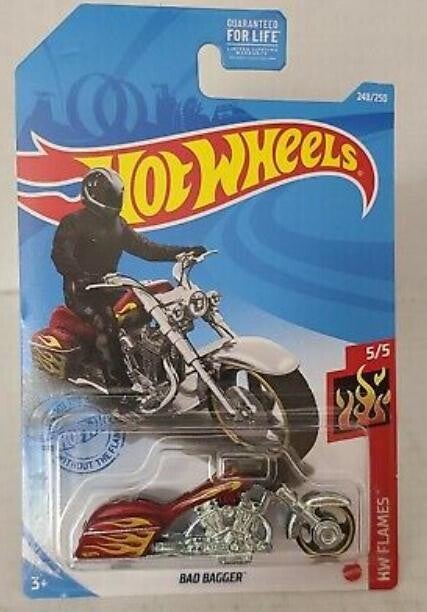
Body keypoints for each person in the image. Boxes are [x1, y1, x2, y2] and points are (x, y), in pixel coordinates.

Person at [51, 167, 206, 389]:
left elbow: (147, 249)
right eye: (108, 194)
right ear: (92, 193)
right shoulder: (73, 222)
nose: (113, 199)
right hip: (83, 292)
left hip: (111, 286)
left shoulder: (118, 224)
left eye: (114, 194)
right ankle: (119, 389)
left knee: (151, 307)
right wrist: (80, 276)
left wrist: (183, 251)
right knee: (106, 323)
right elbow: (61, 255)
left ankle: (158, 370)